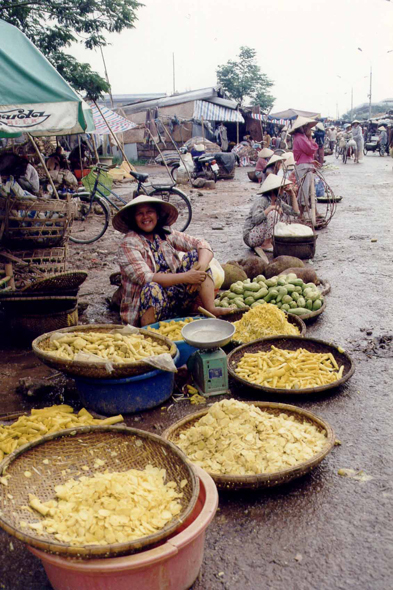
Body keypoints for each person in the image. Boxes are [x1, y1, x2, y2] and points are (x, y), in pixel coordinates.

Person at [114, 196, 234, 326]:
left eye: (149, 212)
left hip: (175, 300)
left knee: (194, 257)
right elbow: (146, 278)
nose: (145, 217)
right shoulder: (129, 244)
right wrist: (186, 277)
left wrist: (201, 267)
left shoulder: (164, 234)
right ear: (133, 218)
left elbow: (202, 244)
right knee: (151, 288)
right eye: (140, 214)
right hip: (147, 306)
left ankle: (211, 309)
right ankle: (149, 332)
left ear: (157, 215)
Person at [243, 174, 299, 253]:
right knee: (274, 214)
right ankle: (266, 243)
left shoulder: (278, 201)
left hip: (260, 235)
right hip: (251, 237)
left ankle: (269, 242)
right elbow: (255, 219)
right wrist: (270, 208)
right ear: (274, 190)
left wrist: (292, 195)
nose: (283, 190)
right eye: (281, 188)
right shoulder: (262, 200)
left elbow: (295, 212)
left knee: (283, 216)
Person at [289, 116, 319, 218]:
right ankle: (300, 214)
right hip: (303, 167)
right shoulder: (300, 138)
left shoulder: (302, 138)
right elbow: (310, 150)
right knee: (304, 191)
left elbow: (307, 154)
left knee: (310, 191)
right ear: (302, 128)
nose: (308, 129)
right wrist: (310, 137)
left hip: (306, 165)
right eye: (306, 127)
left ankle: (314, 212)